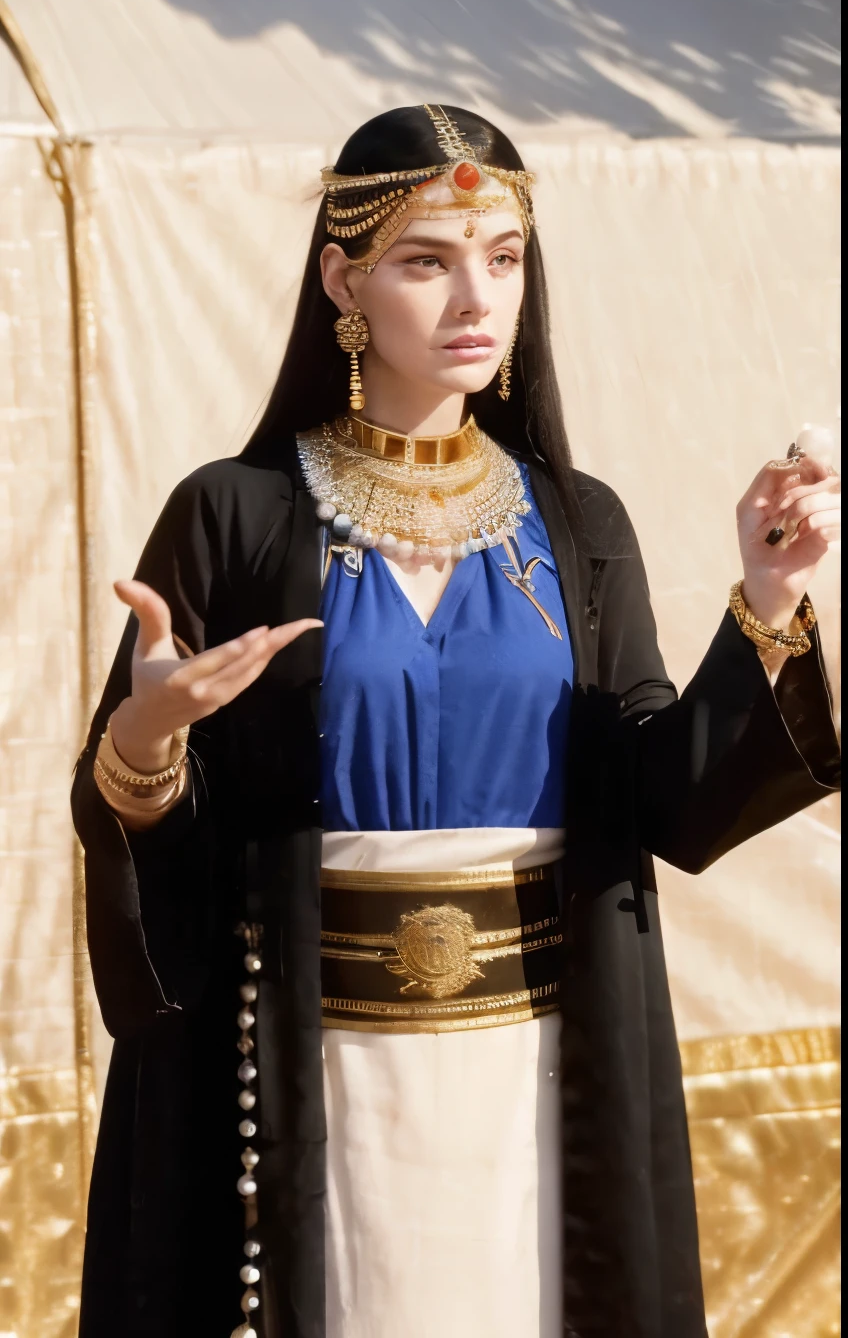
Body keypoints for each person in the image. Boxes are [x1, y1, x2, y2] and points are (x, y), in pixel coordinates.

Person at [71, 105, 841, 1338]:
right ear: (343, 278)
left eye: (502, 256)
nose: (474, 295)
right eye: (426, 259)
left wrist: (766, 600)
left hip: (541, 1065)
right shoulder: (236, 516)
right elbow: (150, 822)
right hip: (302, 1062)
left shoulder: (577, 524)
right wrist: (145, 745)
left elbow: (663, 803)